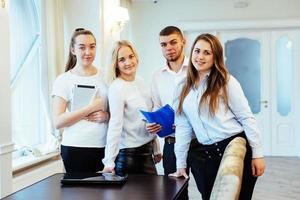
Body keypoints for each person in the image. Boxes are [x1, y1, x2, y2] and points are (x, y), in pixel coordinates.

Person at [170, 33, 266, 200]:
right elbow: (183, 127)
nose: (200, 56)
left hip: (234, 150)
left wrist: (257, 155)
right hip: (206, 156)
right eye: (197, 51)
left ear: (216, 57)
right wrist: (180, 164)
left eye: (207, 53)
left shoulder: (226, 81)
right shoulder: (182, 87)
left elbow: (246, 118)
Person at [52, 28, 109, 173]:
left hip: (104, 146)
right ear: (73, 50)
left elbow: (117, 110)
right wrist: (90, 108)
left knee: (103, 194)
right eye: (82, 47)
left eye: (92, 46)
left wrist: (107, 116)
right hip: (75, 147)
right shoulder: (63, 80)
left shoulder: (106, 76)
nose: (88, 52)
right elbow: (58, 122)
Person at [101, 40, 161, 177]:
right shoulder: (117, 87)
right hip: (129, 157)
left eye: (131, 56)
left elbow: (148, 118)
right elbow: (115, 125)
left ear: (136, 57)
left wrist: (156, 148)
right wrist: (109, 162)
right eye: (122, 59)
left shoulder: (140, 81)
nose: (128, 62)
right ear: (115, 64)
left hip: (147, 152)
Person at [146, 25, 190, 200]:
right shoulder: (157, 76)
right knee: (174, 194)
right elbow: (156, 107)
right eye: (163, 44)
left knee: (208, 190)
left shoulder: (196, 70)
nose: (168, 48)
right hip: (171, 143)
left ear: (183, 42)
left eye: (173, 42)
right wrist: (153, 124)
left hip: (198, 144)